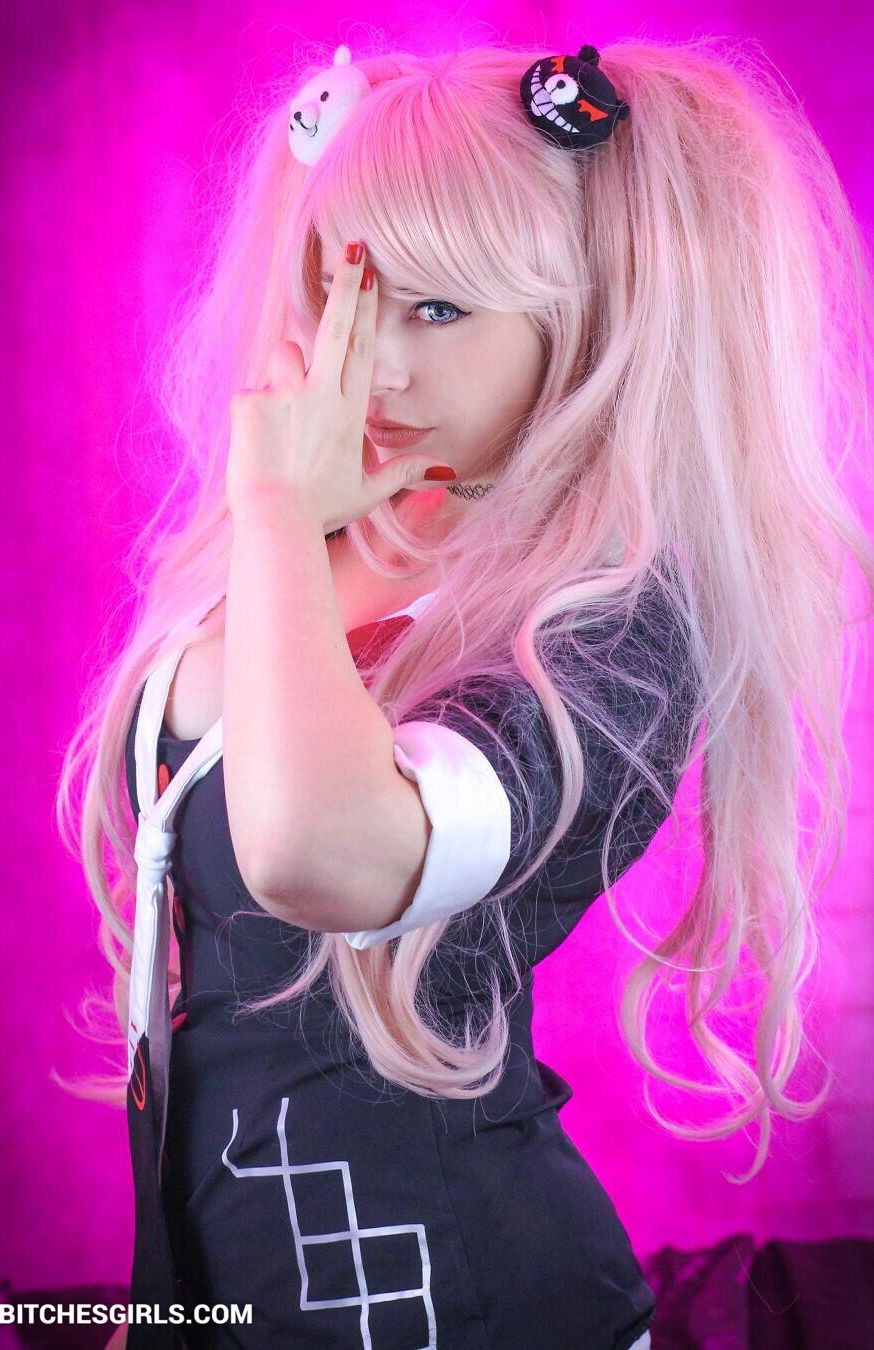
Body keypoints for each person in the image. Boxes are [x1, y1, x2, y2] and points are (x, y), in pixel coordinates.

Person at [56, 36, 873, 1350]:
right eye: (344, 290)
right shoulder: (334, 535)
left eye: (438, 310)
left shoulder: (610, 631)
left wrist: (275, 514)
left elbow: (319, 855)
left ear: (584, 325)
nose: (371, 365)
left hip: (475, 1304)